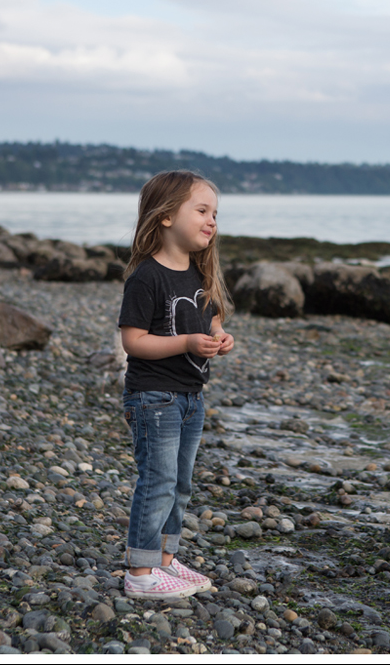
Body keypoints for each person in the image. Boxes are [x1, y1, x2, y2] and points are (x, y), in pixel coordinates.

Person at [118, 170, 234, 600]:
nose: (212, 221)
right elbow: (133, 341)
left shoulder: (200, 274)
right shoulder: (146, 277)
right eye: (201, 210)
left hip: (190, 398)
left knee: (181, 483)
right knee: (158, 481)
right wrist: (185, 342)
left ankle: (166, 559)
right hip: (154, 397)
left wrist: (220, 340)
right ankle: (141, 571)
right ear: (166, 216)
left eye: (215, 214)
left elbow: (213, 320)